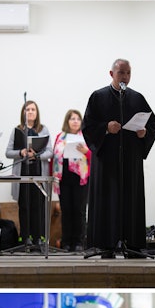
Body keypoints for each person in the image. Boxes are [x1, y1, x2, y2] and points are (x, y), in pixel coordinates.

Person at [83, 59, 155, 258]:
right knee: (107, 201)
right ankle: (106, 245)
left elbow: (153, 125)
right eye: (121, 73)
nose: (125, 76)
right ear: (111, 74)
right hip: (106, 161)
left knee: (129, 200)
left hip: (130, 162)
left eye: (128, 73)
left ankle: (131, 244)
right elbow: (88, 126)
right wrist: (106, 128)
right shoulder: (98, 97)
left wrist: (144, 134)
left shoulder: (137, 98)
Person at [6, 100, 52, 252]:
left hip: (39, 174)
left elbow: (50, 152)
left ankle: (39, 238)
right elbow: (8, 152)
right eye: (28, 109)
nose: (30, 112)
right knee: (24, 206)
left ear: (37, 112)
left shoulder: (43, 129)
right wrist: (21, 153)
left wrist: (37, 155)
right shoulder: (17, 130)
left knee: (38, 206)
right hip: (23, 174)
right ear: (23, 112)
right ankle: (26, 238)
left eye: (33, 109)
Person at [52, 108, 91, 253]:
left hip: (80, 179)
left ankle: (79, 242)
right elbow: (53, 159)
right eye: (72, 119)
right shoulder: (59, 137)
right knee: (66, 211)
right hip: (63, 179)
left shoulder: (86, 137)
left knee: (79, 211)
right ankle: (66, 242)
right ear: (67, 121)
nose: (75, 121)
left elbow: (93, 156)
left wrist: (86, 152)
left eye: (77, 119)